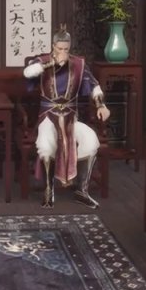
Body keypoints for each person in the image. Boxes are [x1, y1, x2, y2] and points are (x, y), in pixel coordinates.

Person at [22, 25, 111, 209]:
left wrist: (101, 105)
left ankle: (82, 190)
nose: (63, 52)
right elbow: (27, 73)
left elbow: (93, 85)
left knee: (91, 141)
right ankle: (49, 189)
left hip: (71, 117)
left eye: (66, 49)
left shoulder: (78, 64)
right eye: (59, 48)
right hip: (48, 116)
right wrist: (51, 64)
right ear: (53, 46)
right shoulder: (42, 61)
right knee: (45, 145)